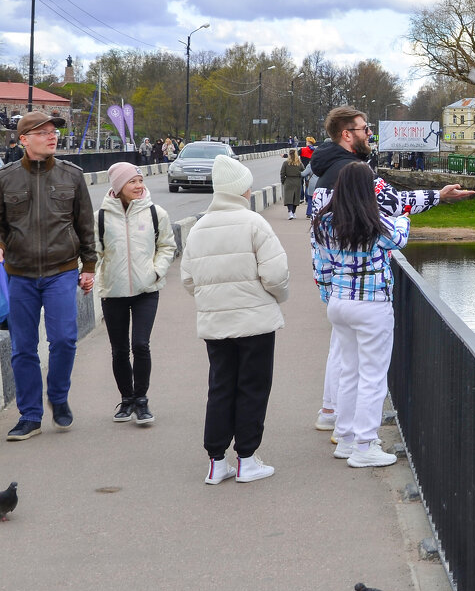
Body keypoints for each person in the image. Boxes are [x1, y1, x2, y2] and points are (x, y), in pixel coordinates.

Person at [308, 106, 473, 433]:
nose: (370, 133)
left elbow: (319, 245)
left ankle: (333, 416)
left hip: (336, 284)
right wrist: (438, 196)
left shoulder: (321, 175)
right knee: (366, 370)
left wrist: (327, 290)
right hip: (368, 295)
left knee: (343, 355)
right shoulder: (356, 174)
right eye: (364, 128)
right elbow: (396, 206)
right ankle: (361, 440)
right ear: (347, 134)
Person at [181, 154, 289, 484]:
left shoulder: (199, 227)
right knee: (253, 387)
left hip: (216, 322)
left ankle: (216, 462)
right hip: (255, 320)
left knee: (221, 386)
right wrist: (276, 299)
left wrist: (213, 300)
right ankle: (246, 458)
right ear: (242, 190)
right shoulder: (255, 223)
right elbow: (276, 274)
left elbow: (188, 279)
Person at [0, 112, 96, 440]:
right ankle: (30, 415)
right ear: (24, 139)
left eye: (53, 132)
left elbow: (85, 225)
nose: (52, 136)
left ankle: (58, 396)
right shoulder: (6, 178)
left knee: (65, 339)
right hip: (20, 275)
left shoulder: (72, 176)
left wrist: (90, 267)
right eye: (42, 132)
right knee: (23, 347)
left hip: (61, 271)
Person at [312, 162, 409, 468]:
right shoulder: (375, 221)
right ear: (369, 189)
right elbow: (400, 237)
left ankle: (346, 437)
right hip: (372, 304)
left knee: (349, 370)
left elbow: (322, 266)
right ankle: (365, 445)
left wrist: (330, 296)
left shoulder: (325, 222)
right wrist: (403, 216)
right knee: (373, 376)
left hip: (339, 303)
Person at [96, 162, 176, 425]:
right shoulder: (101, 217)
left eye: (140, 181)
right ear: (118, 187)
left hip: (146, 290)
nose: (139, 186)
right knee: (119, 350)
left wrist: (156, 271)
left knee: (140, 345)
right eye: (132, 182)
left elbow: (166, 246)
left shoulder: (156, 213)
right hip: (113, 291)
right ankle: (126, 399)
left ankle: (141, 400)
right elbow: (94, 252)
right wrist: (93, 276)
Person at [280, 149, 303, 219]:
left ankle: (290, 212)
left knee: (288, 197)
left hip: (288, 181)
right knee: (296, 198)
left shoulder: (285, 163)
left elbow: (282, 173)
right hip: (297, 181)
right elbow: (303, 170)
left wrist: (283, 181)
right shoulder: (299, 163)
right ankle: (293, 212)